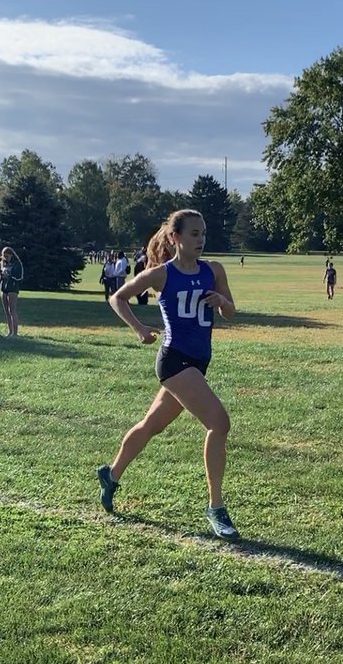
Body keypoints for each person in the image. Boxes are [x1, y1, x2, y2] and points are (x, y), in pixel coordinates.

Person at [97, 209, 240, 541]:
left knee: (151, 426)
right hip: (174, 361)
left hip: (198, 362)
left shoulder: (213, 270)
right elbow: (117, 297)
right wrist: (139, 329)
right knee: (219, 423)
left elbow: (231, 312)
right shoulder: (161, 274)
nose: (201, 239)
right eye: (193, 234)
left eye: (203, 233)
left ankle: (112, 474)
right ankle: (216, 508)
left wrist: (222, 301)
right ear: (176, 237)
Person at [0, 246, 24, 337]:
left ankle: (15, 333)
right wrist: (1, 275)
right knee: (6, 311)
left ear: (11, 255)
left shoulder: (17, 264)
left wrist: (10, 276)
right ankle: (10, 331)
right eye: (4, 256)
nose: (5, 257)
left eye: (7, 256)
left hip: (13, 288)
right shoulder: (3, 263)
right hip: (4, 287)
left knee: (12, 310)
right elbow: (1, 275)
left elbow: (20, 277)